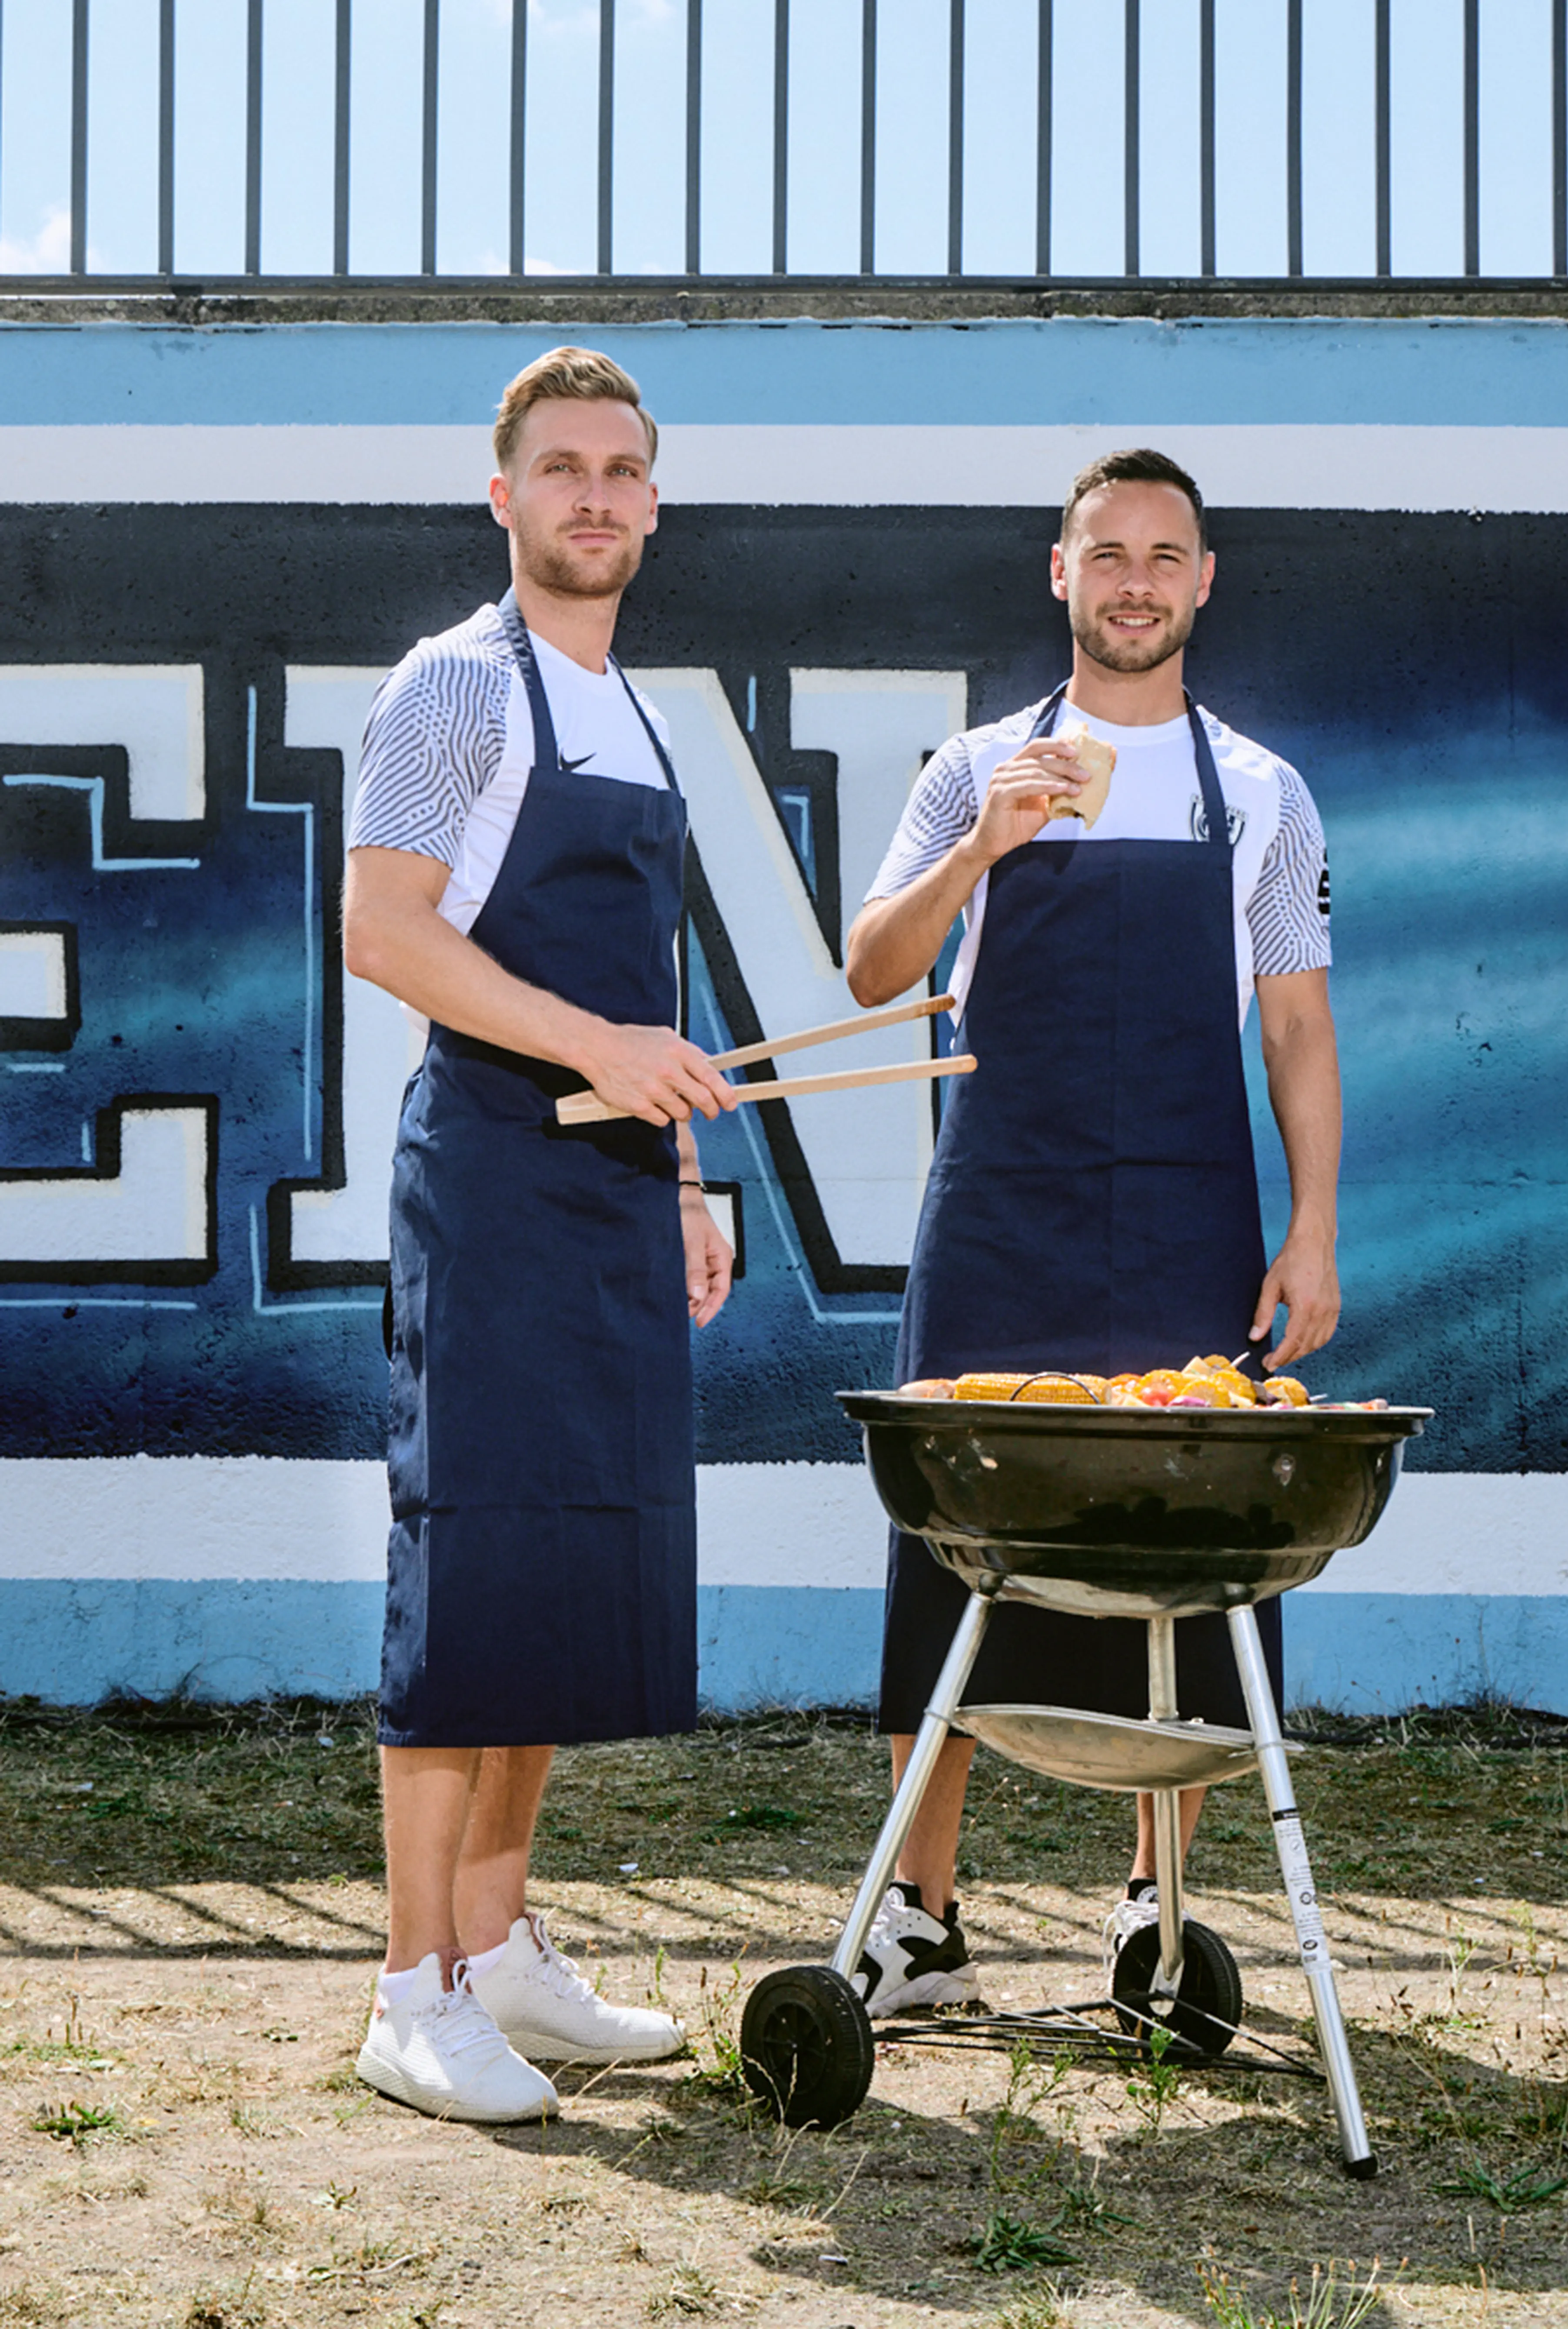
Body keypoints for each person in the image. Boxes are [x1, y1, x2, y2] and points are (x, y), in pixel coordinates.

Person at [843, 449, 1339, 2018]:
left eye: (1164, 554)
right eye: (1106, 551)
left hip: (1195, 1216)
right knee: (950, 1551)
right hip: (1001, 1216)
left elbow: (1298, 1035)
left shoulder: (1258, 788)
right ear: (1060, 575)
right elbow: (871, 970)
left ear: (1205, 581)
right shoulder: (970, 767)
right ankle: (920, 1916)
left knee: (1187, 1563)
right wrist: (984, 846)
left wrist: (1313, 1228)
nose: (1135, 578)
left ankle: (1156, 1903)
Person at [341, 347, 737, 2121]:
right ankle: (410, 1990)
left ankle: (499, 1949)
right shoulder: (452, 691)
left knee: (567, 1570)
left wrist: (677, 1177)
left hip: (609, 1197)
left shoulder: (636, 717)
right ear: (502, 494)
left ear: (653, 502)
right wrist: (596, 1054)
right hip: (493, 1188)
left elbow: (641, 989)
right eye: (563, 467)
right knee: (472, 1574)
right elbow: (385, 933)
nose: (596, 496)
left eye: (624, 470)